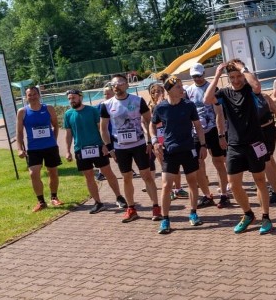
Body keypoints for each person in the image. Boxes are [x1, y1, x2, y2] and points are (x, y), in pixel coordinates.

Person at [203, 59, 273, 235]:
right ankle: (248, 214)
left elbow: (257, 86)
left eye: (238, 76)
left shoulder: (249, 90)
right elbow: (207, 99)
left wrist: (243, 68)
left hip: (255, 142)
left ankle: (265, 216)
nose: (236, 80)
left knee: (259, 180)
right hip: (235, 144)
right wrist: (217, 74)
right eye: (232, 77)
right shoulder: (224, 93)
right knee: (233, 185)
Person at [149, 76, 208, 234]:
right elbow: (152, 126)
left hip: (189, 149)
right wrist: (155, 141)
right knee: (166, 185)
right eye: (178, 87)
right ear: (169, 90)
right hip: (170, 151)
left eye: (182, 86)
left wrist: (203, 145)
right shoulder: (160, 108)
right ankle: (165, 219)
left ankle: (193, 213)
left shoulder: (189, 105)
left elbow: (198, 126)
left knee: (192, 182)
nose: (182, 90)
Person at [99, 74, 159, 223]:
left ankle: (156, 207)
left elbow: (149, 121)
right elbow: (103, 128)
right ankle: (131, 209)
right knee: (127, 178)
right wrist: (110, 148)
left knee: (146, 176)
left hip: (139, 145)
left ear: (127, 85)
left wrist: (150, 141)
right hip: (120, 147)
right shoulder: (106, 105)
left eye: (120, 83)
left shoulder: (137, 101)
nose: (116, 86)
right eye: (114, 84)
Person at [62, 89, 123, 215]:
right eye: (69, 98)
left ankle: (119, 197)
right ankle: (98, 202)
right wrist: (68, 151)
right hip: (81, 150)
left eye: (73, 97)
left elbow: (101, 128)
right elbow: (68, 134)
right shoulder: (68, 114)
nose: (71, 100)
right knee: (89, 176)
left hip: (98, 147)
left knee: (108, 172)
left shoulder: (92, 110)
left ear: (80, 97)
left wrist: (105, 145)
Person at [185, 64, 229, 207]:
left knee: (218, 162)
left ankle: (223, 194)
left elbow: (219, 112)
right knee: (198, 164)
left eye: (199, 75)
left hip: (213, 130)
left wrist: (221, 134)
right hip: (197, 131)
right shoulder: (189, 90)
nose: (197, 78)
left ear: (204, 74)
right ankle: (206, 195)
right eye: (194, 76)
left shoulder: (212, 88)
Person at [16, 86, 62, 211]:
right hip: (34, 149)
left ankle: (54, 197)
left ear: (39, 95)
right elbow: (19, 132)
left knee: (52, 172)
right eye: (29, 95)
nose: (32, 97)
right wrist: (19, 149)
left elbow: (56, 126)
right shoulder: (22, 111)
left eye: (34, 94)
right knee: (33, 174)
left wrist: (54, 140)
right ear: (26, 97)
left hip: (50, 147)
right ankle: (41, 202)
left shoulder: (48, 108)